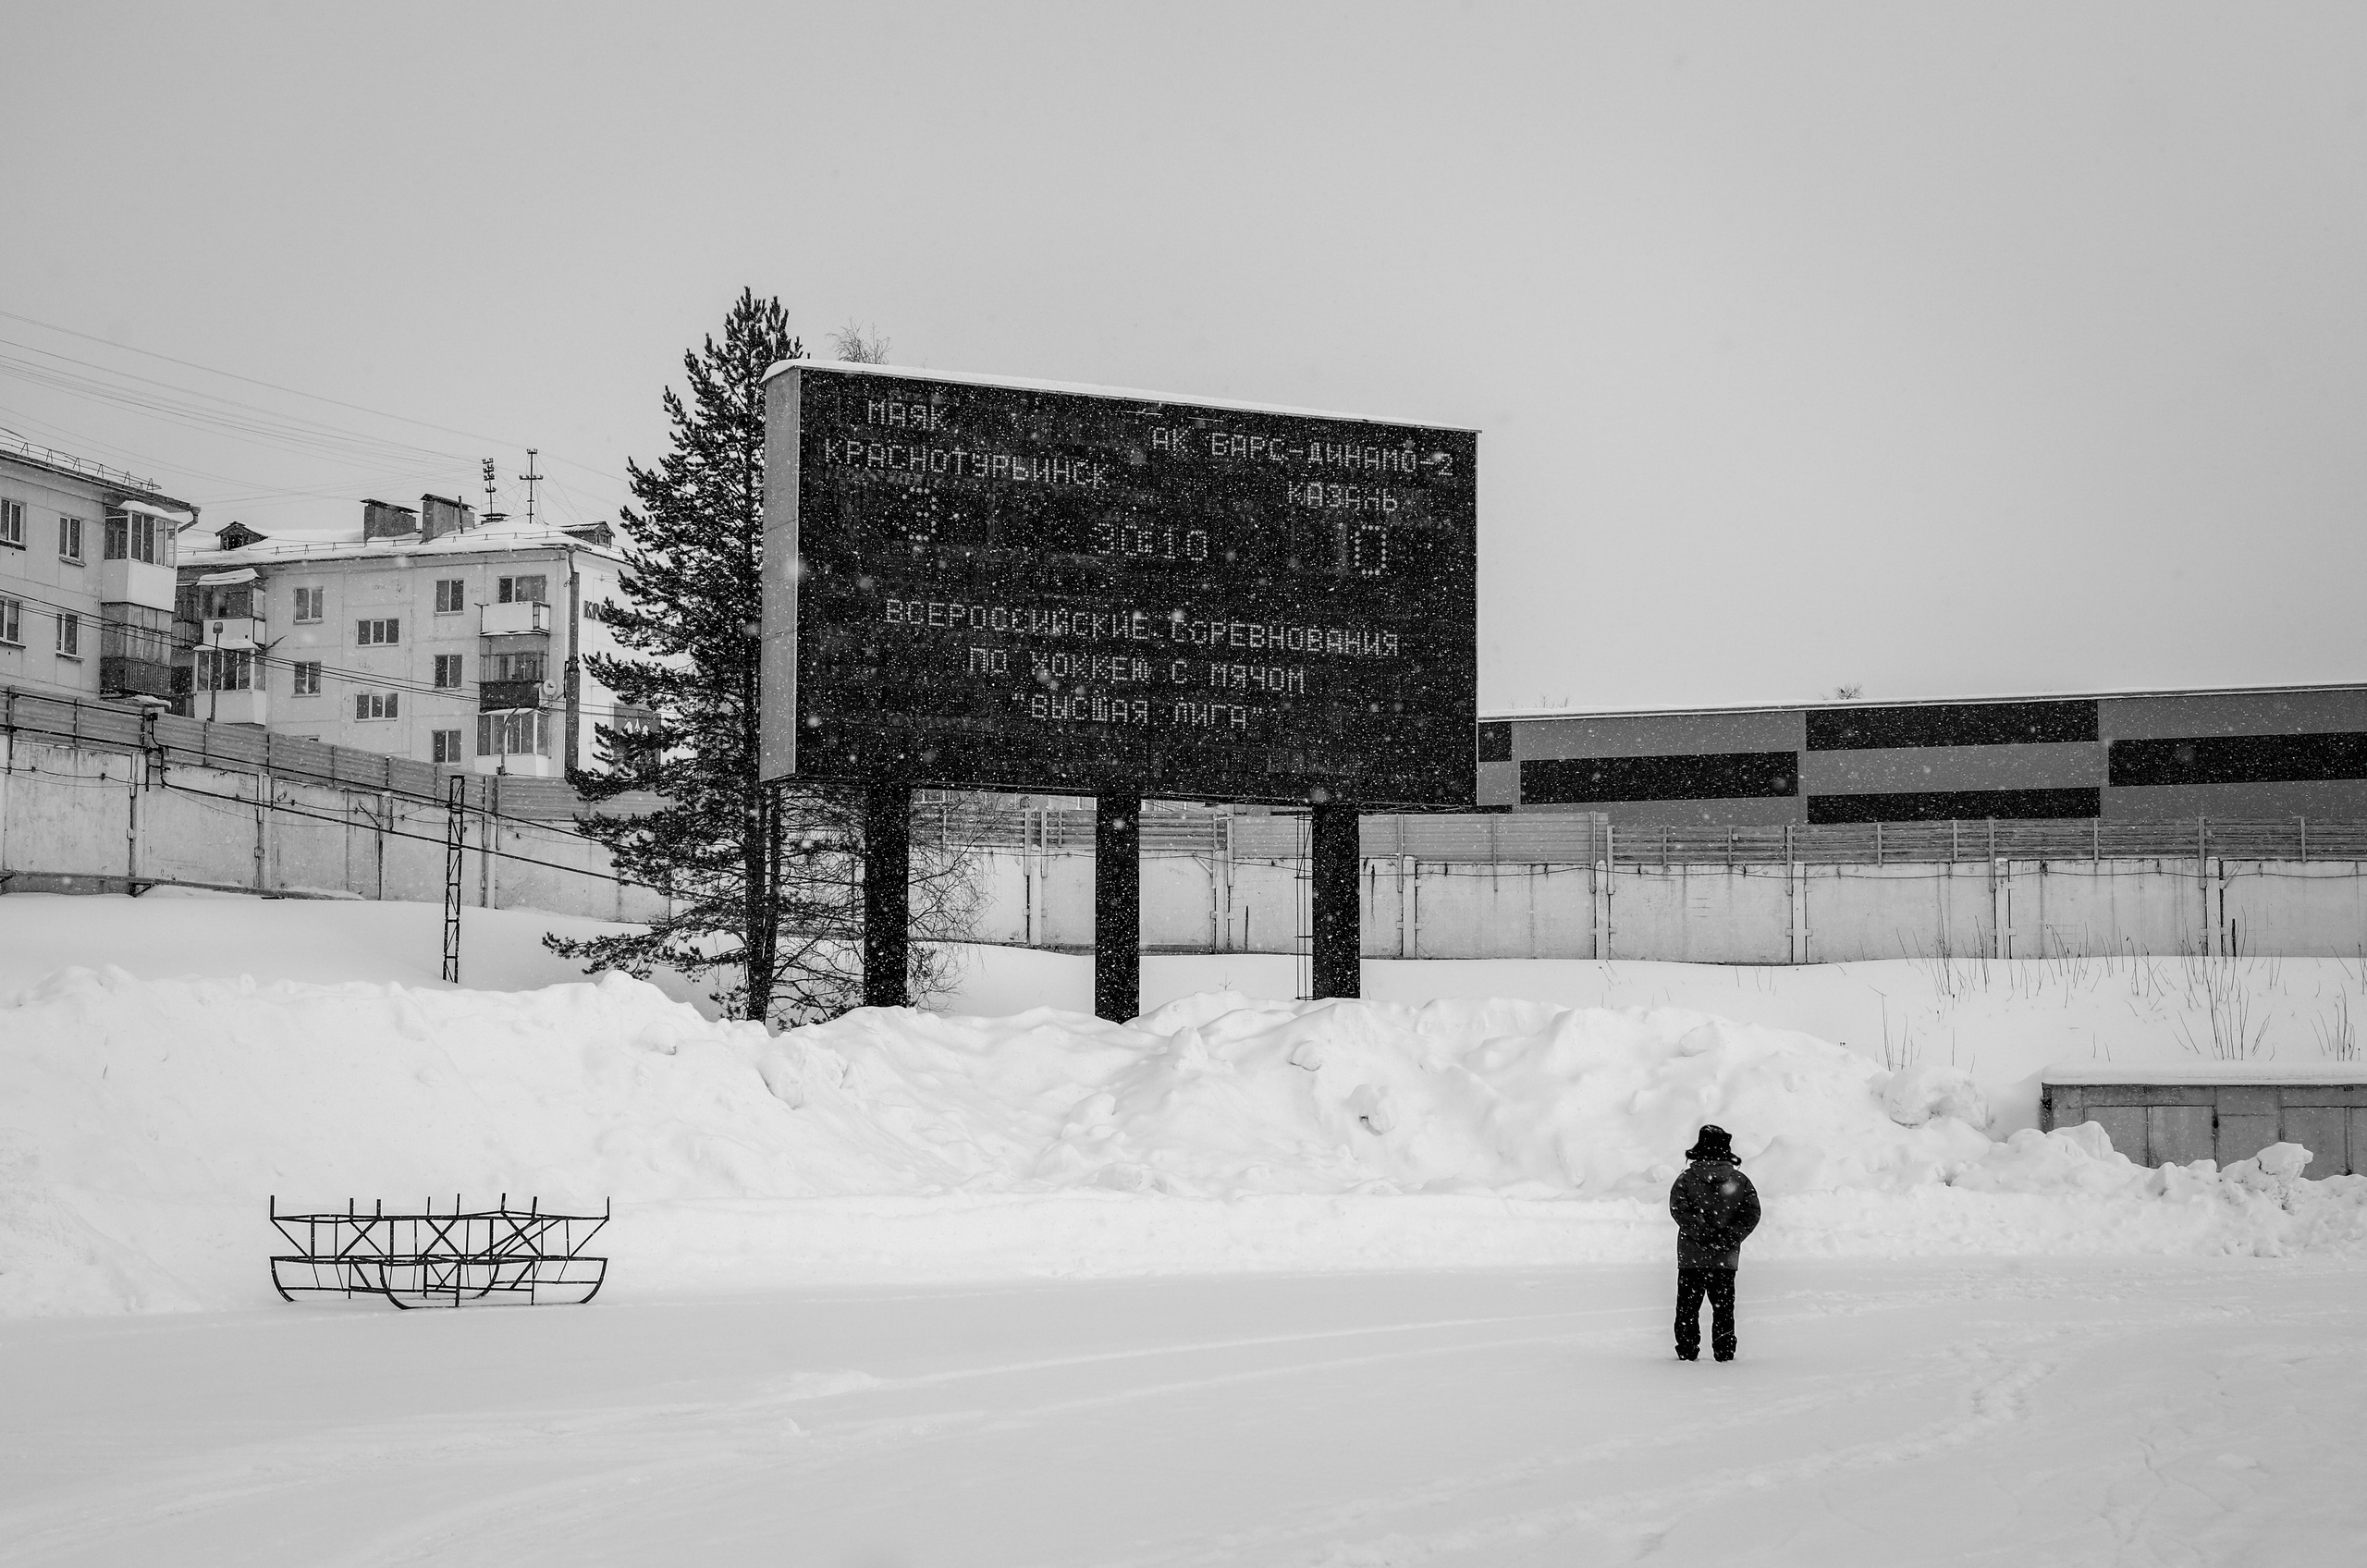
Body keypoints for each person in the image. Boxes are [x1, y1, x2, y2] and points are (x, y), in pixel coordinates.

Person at [1667, 1124, 1760, 1362]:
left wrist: (1701, 1232)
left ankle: (1687, 1352)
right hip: (1725, 1260)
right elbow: (1751, 1213)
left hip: (1691, 1259)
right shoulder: (1739, 1181)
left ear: (1699, 1148)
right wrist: (1727, 1237)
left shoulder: (1686, 1180)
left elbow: (1678, 1209)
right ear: (1726, 1150)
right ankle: (1724, 1351)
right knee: (1723, 1309)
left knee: (1687, 1310)